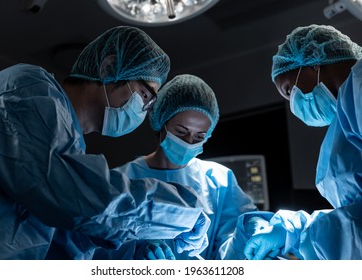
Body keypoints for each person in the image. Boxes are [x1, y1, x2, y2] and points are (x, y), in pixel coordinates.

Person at [0, 26, 211, 260]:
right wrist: (179, 211)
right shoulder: (27, 88)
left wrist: (131, 250)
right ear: (108, 69)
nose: (143, 111)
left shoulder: (71, 147)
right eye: (145, 95)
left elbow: (60, 241)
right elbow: (66, 194)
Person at [92, 74, 259, 260]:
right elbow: (97, 249)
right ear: (161, 122)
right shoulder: (122, 179)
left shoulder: (219, 179)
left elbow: (231, 252)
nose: (188, 142)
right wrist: (132, 255)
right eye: (181, 131)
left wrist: (250, 234)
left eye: (199, 137)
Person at [243, 24, 362, 260]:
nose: (293, 103)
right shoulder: (347, 112)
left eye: (289, 91)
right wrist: (294, 231)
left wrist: (301, 236)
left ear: (313, 62)